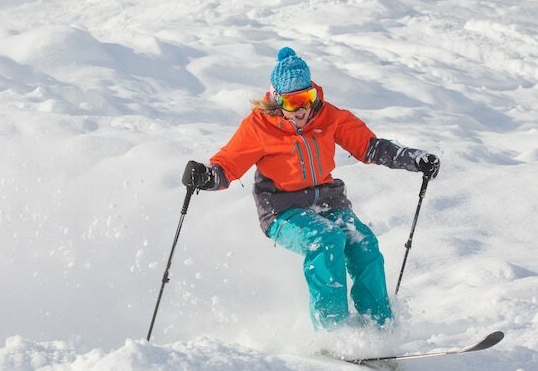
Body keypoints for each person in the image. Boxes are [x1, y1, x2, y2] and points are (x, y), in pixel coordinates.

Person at [182, 47, 440, 330]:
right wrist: (206, 176)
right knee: (326, 240)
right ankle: (333, 333)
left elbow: (370, 146)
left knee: (363, 243)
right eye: (293, 102)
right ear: (277, 100)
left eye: (307, 98)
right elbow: (228, 165)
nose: (303, 109)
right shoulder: (259, 126)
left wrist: (412, 158)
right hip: (281, 209)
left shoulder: (328, 116)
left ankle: (379, 326)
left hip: (328, 201)